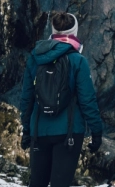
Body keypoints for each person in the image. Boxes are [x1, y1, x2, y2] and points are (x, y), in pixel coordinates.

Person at [20, 11, 103, 187]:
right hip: (69, 133)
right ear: (74, 32)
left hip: (39, 130)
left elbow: (27, 98)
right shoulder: (78, 60)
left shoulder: (35, 58)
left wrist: (26, 129)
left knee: (37, 183)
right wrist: (96, 132)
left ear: (53, 31)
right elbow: (87, 100)